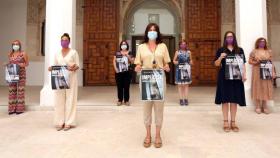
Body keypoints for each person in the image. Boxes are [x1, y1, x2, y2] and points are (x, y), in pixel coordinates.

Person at [135, 23, 171, 148]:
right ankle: (148, 135)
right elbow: (137, 64)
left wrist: (167, 67)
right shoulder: (141, 47)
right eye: (150, 30)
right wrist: (137, 67)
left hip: (159, 79)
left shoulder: (163, 46)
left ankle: (157, 135)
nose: (152, 32)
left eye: (154, 30)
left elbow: (166, 63)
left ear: (157, 33)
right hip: (146, 79)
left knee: (159, 108)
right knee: (146, 108)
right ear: (146, 32)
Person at [214, 31, 246, 132]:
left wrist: (244, 75)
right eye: (227, 37)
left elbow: (243, 64)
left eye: (231, 37)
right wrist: (220, 57)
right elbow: (216, 64)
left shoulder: (239, 50)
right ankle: (225, 122)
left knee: (234, 100)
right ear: (225, 39)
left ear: (234, 38)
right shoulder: (221, 50)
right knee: (225, 100)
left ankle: (233, 122)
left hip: (236, 78)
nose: (229, 39)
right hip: (224, 78)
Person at [48, 33, 79, 131]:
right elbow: (55, 65)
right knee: (59, 100)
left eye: (66, 40)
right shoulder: (57, 53)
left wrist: (73, 68)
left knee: (70, 99)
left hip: (71, 78)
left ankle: (69, 122)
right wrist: (51, 68)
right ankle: (59, 121)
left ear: (69, 41)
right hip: (59, 78)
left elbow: (77, 65)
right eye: (62, 40)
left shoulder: (74, 52)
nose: (64, 42)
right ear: (60, 41)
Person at [249, 37, 276, 114]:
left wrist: (273, 72)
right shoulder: (254, 51)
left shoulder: (269, 51)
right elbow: (250, 61)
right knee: (258, 86)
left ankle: (264, 106)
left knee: (265, 87)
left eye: (263, 42)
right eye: (260, 42)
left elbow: (271, 63)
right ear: (257, 43)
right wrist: (256, 62)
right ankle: (257, 106)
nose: (262, 43)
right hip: (257, 71)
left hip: (266, 71)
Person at [7, 40, 29, 115]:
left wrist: (20, 64)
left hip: (21, 74)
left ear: (19, 45)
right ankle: (11, 109)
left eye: (17, 44)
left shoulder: (23, 54)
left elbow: (27, 63)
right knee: (12, 91)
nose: (15, 45)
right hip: (12, 74)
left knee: (20, 91)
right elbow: (10, 63)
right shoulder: (10, 54)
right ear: (12, 45)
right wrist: (6, 64)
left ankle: (20, 109)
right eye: (14, 44)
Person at [113, 40, 134, 106]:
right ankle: (120, 100)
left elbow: (132, 61)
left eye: (125, 44)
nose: (123, 45)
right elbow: (114, 61)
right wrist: (115, 69)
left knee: (126, 86)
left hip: (127, 72)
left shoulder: (130, 53)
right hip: (118, 72)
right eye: (122, 44)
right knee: (119, 86)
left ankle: (126, 100)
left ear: (127, 45)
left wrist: (127, 55)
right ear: (120, 45)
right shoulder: (117, 53)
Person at [173, 39, 193, 106]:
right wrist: (178, 62)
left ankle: (186, 99)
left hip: (186, 70)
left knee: (186, 85)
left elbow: (191, 60)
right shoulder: (177, 52)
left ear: (186, 45)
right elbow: (174, 61)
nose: (183, 45)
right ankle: (181, 99)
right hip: (179, 69)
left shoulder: (189, 52)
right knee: (180, 86)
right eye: (182, 44)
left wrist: (191, 62)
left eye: (184, 44)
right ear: (179, 45)